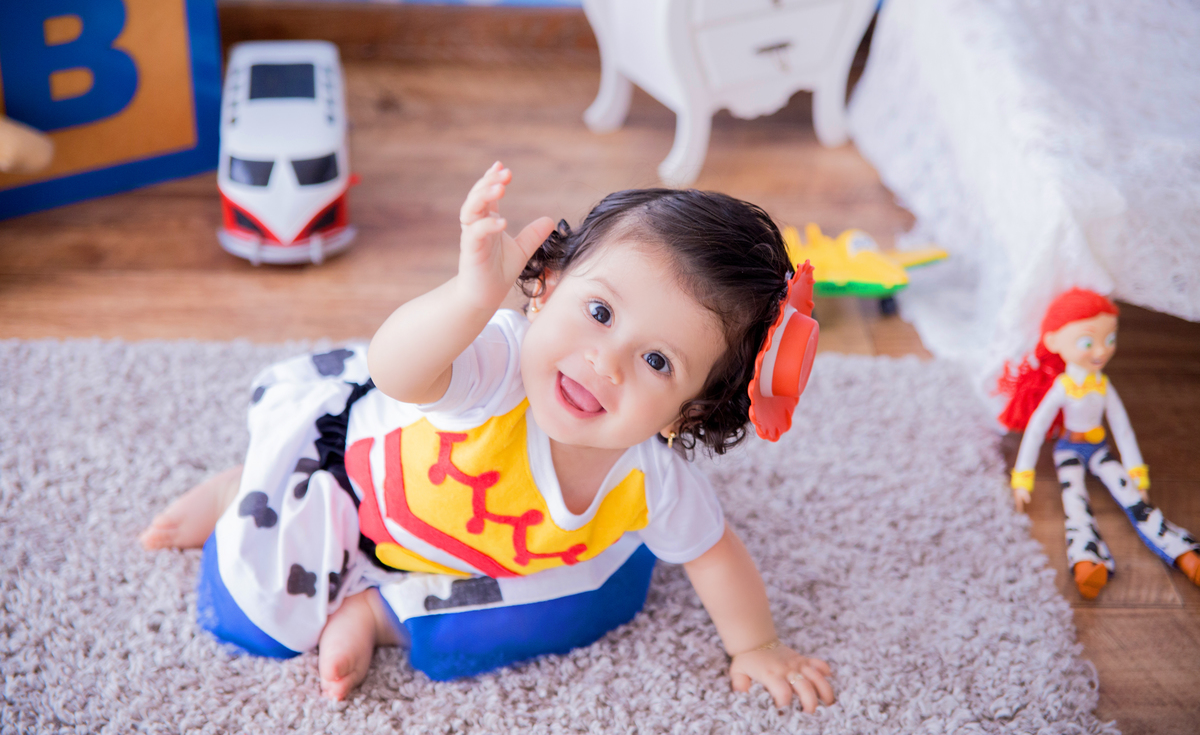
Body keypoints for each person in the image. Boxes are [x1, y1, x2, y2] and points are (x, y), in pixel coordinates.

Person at [141, 162, 833, 709]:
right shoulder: (501, 362)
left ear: (686, 414)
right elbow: (395, 369)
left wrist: (757, 645)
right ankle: (245, 480)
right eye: (598, 311)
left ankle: (382, 614)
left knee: (605, 599)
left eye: (658, 362)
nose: (605, 361)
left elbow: (714, 552)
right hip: (348, 487)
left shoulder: (652, 478)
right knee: (252, 619)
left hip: (476, 558)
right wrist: (472, 299)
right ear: (547, 287)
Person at [997, 287, 1200, 599]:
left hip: (1099, 448)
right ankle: (1087, 560)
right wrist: (1023, 477)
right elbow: (1036, 430)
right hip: (1068, 450)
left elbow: (1123, 429)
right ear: (1053, 342)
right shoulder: (1063, 388)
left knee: (1136, 500)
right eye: (1087, 342)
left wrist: (1137, 472)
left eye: (1110, 339)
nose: (1102, 351)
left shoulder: (1103, 385)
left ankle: (1184, 552)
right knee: (1075, 504)